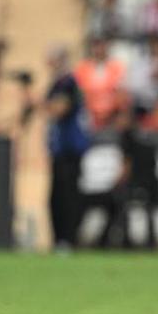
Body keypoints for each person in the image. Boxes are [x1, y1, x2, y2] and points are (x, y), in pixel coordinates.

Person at [44, 45, 90, 250]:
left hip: (70, 149)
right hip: (59, 149)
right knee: (56, 197)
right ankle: (60, 239)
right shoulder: (58, 83)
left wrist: (34, 100)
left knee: (67, 196)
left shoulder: (67, 83)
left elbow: (60, 109)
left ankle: (68, 239)